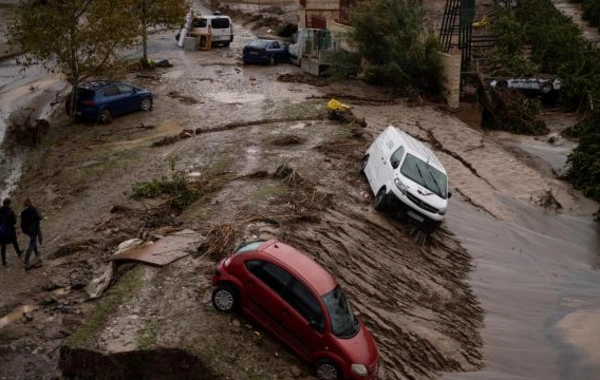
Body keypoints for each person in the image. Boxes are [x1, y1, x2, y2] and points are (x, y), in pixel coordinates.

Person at [20, 198, 42, 269]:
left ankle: (36, 253)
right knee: (32, 243)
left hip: (26, 230)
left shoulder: (23, 212)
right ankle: (26, 261)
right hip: (33, 229)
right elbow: (39, 217)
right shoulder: (33, 209)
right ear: (30, 202)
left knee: (33, 240)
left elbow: (21, 224)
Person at [0, 198, 23, 266]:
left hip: (1, 230)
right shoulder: (10, 212)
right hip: (9, 230)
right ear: (9, 204)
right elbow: (14, 222)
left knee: (3, 246)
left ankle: (4, 261)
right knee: (14, 242)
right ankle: (19, 253)